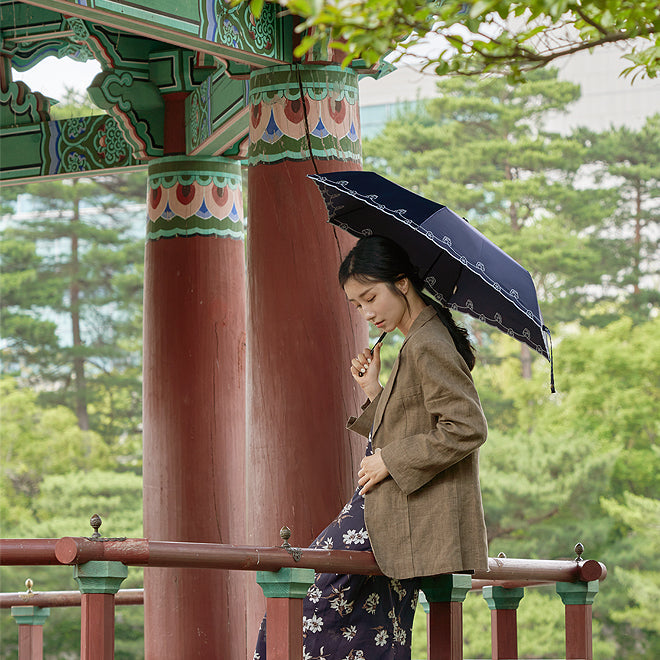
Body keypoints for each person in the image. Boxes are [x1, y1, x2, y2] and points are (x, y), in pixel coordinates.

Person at [254, 235, 488, 660]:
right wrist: (373, 390)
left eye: (370, 296)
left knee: (300, 596)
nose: (367, 312)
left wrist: (389, 461)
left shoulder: (428, 343)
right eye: (357, 304)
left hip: (394, 508)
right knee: (379, 621)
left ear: (402, 283)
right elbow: (414, 420)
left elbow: (467, 427)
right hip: (394, 509)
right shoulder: (418, 339)